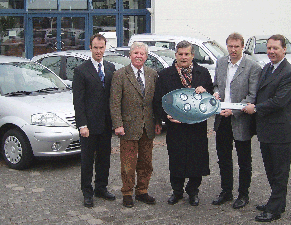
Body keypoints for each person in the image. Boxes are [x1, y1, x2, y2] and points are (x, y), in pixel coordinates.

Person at [243, 34, 291, 222]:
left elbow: (279, 102)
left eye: (275, 48)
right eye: (269, 48)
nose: (271, 52)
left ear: (284, 50)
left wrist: (255, 108)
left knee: (280, 172)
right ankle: (277, 203)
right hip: (266, 130)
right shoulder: (267, 68)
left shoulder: (289, 73)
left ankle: (274, 210)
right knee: (271, 170)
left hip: (281, 132)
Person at [154, 40, 213, 206]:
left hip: (197, 126)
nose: (183, 57)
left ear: (193, 55)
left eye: (187, 54)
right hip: (176, 127)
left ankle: (193, 191)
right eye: (180, 54)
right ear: (176, 55)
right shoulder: (165, 75)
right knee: (176, 159)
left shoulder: (203, 73)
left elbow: (210, 99)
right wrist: (166, 117)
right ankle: (177, 191)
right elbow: (158, 101)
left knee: (197, 159)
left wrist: (206, 92)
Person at [212, 33, 261, 209]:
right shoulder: (221, 62)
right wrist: (216, 93)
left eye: (236, 47)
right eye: (230, 46)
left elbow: (252, 96)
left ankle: (243, 194)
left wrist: (233, 111)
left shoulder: (252, 67)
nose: (233, 50)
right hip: (221, 119)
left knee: (244, 160)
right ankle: (226, 191)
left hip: (240, 119)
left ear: (242, 47)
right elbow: (217, 84)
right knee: (223, 158)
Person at [110, 42, 160, 208]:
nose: (139, 56)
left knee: (146, 162)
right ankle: (127, 192)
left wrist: (158, 122)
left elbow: (156, 102)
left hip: (148, 126)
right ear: (130, 55)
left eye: (142, 53)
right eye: (136, 53)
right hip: (128, 127)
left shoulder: (153, 74)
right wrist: (118, 124)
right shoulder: (120, 75)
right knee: (128, 163)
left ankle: (142, 191)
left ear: (146, 56)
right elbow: (115, 102)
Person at [73, 34, 116, 208]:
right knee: (87, 160)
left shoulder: (110, 67)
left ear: (105, 48)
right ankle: (87, 192)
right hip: (89, 126)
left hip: (106, 123)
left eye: (101, 47)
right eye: (95, 47)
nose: (98, 51)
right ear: (90, 48)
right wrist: (82, 125)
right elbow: (78, 100)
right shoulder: (81, 70)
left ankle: (101, 187)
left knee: (104, 158)